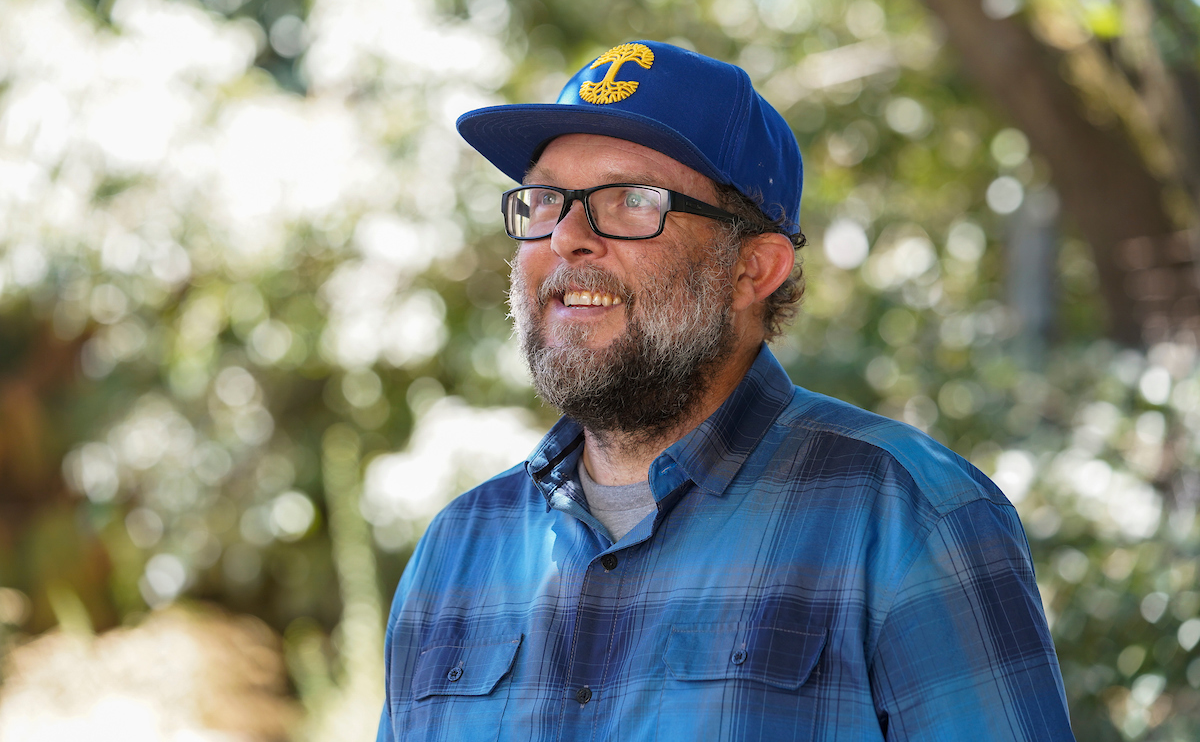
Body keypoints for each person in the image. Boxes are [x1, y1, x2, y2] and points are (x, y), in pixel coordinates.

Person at [377, 40, 1074, 741]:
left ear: (753, 269)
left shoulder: (911, 520)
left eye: (632, 200)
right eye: (547, 201)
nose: (566, 238)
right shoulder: (455, 552)